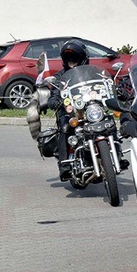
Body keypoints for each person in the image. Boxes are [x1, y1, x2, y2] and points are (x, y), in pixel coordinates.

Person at [47, 39, 89, 181]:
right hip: (70, 113)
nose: (71, 61)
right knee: (65, 126)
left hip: (90, 109)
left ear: (82, 58)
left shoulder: (90, 73)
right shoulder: (61, 77)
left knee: (107, 122)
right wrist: (55, 100)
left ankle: (117, 153)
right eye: (68, 58)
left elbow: (103, 83)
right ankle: (64, 165)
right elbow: (54, 95)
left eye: (75, 58)